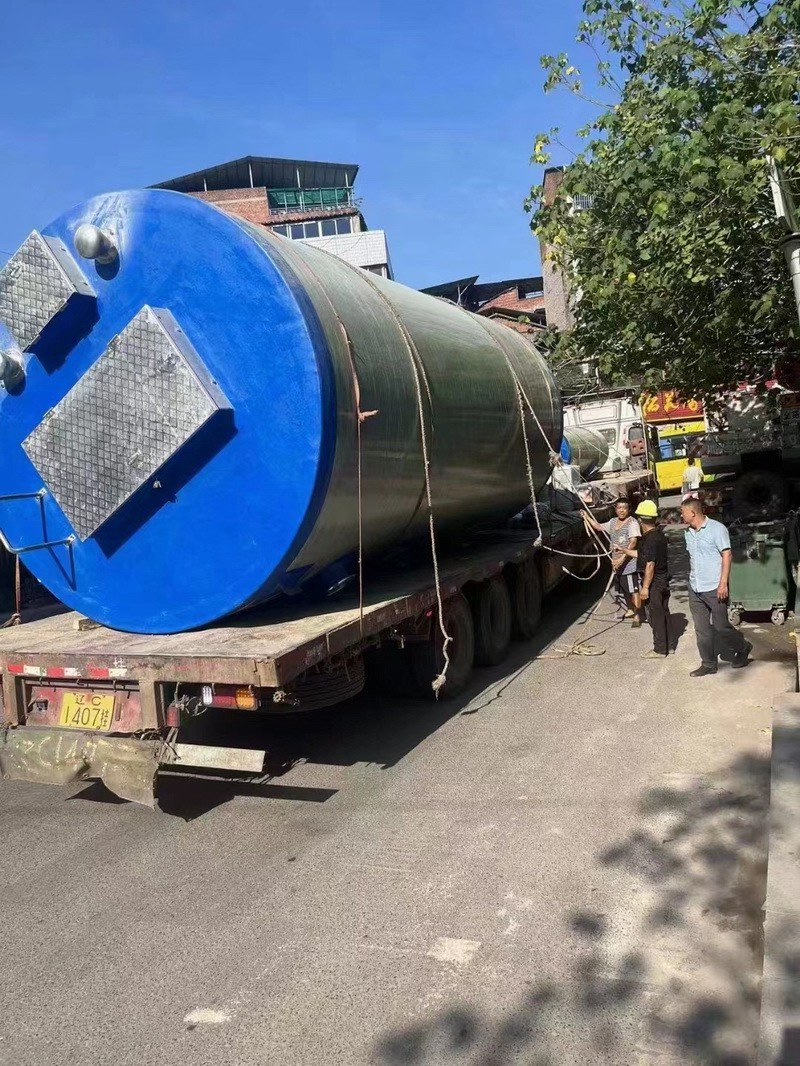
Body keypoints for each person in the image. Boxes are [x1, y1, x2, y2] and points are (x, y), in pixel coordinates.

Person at [681, 497, 751, 676]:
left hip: (715, 587)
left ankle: (743, 647)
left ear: (693, 513)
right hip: (695, 587)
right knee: (701, 629)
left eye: (683, 513)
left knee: (721, 626)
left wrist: (723, 583)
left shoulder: (717, 529)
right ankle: (708, 664)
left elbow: (727, 555)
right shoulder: (688, 533)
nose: (681, 516)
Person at [582, 499, 641, 623]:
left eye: (624, 508)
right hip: (617, 564)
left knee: (633, 590)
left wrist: (621, 558)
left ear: (629, 509)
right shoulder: (613, 522)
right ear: (615, 509)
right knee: (624, 589)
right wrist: (586, 516)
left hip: (629, 563)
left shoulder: (632, 523)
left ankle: (637, 616)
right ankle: (630, 609)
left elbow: (633, 542)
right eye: (619, 508)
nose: (621, 510)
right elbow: (598, 527)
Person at [633, 499, 671, 658]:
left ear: (640, 520)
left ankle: (660, 649)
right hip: (663, 579)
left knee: (655, 616)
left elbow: (650, 564)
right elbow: (644, 555)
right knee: (664, 613)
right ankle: (669, 645)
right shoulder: (658, 535)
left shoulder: (650, 539)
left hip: (654, 582)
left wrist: (645, 588)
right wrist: (623, 551)